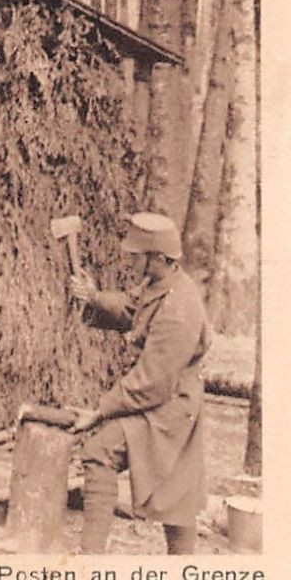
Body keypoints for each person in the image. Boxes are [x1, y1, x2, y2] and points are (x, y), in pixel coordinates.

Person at [68, 211, 209, 555]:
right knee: (178, 489)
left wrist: (99, 411)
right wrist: (93, 297)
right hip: (165, 397)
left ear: (158, 258)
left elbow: (151, 381)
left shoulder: (180, 306)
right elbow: (132, 308)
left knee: (101, 450)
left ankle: (91, 560)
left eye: (135, 256)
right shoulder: (160, 284)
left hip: (171, 408)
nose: (129, 261)